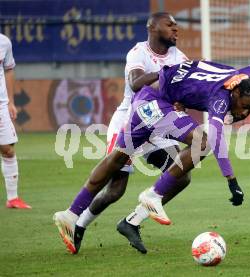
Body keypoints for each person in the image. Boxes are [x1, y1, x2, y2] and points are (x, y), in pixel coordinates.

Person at [64, 58, 250, 255]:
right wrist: (231, 180)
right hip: (154, 103)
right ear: (236, 92)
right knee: (202, 142)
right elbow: (216, 138)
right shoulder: (221, 99)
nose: (244, 112)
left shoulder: (247, 76)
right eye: (244, 105)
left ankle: (71, 215)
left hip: (150, 101)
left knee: (117, 160)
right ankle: (152, 195)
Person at [53, 12, 189, 254]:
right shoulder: (138, 52)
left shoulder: (180, 57)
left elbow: (183, 92)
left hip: (157, 124)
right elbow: (137, 83)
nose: (175, 30)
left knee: (181, 175)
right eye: (170, 25)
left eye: (176, 26)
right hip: (129, 122)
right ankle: (78, 224)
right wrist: (167, 74)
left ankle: (131, 221)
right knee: (116, 188)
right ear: (153, 28)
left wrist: (181, 101)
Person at [0, 33, 31, 209]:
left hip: (1, 104)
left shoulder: (4, 42)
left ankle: (12, 198)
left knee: (8, 149)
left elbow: (9, 70)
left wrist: (11, 101)